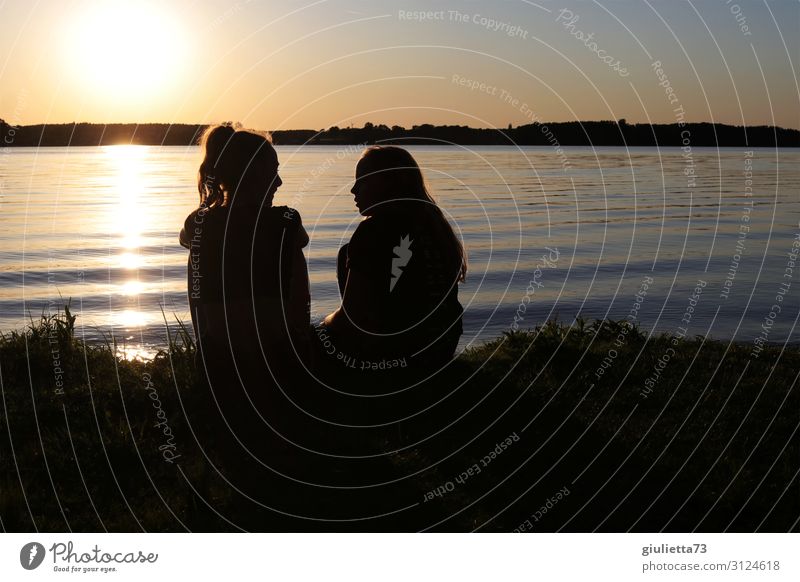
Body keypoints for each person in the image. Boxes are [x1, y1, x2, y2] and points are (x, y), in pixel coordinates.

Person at [179, 124, 311, 488]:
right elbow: (300, 297)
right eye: (274, 173)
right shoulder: (286, 222)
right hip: (278, 359)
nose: (280, 183)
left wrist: (214, 202)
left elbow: (187, 238)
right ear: (256, 176)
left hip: (218, 362)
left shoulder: (198, 223)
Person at [322, 146, 466, 375]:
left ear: (389, 182)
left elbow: (348, 320)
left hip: (398, 357)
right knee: (346, 253)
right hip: (442, 347)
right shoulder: (435, 224)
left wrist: (321, 328)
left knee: (316, 340)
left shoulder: (373, 231)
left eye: (363, 181)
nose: (353, 189)